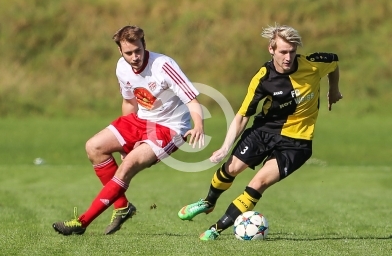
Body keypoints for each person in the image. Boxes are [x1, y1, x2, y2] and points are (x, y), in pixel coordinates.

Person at [177, 24, 342, 240]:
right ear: (271, 49)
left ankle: (215, 229)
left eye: (292, 51)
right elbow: (243, 115)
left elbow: (334, 62)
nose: (288, 57)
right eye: (283, 51)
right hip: (264, 131)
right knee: (231, 168)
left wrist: (334, 89)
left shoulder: (313, 64)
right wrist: (225, 147)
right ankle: (208, 201)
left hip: (297, 142)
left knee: (258, 183)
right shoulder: (264, 78)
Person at [52, 25, 205, 235]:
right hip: (141, 120)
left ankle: (82, 223)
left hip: (170, 127)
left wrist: (198, 125)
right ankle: (122, 206)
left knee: (128, 166)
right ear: (120, 51)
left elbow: (192, 99)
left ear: (145, 46)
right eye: (129, 53)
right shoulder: (122, 68)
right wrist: (127, 142)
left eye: (138, 51)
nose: (134, 57)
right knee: (94, 147)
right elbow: (128, 102)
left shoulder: (163, 65)